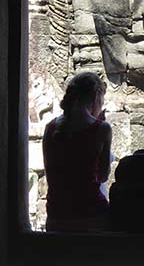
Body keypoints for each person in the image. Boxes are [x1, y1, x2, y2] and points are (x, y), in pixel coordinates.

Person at [43, 72, 112, 231]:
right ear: (96, 97)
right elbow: (103, 176)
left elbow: (51, 175)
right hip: (92, 215)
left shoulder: (50, 128)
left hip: (56, 216)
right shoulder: (101, 128)